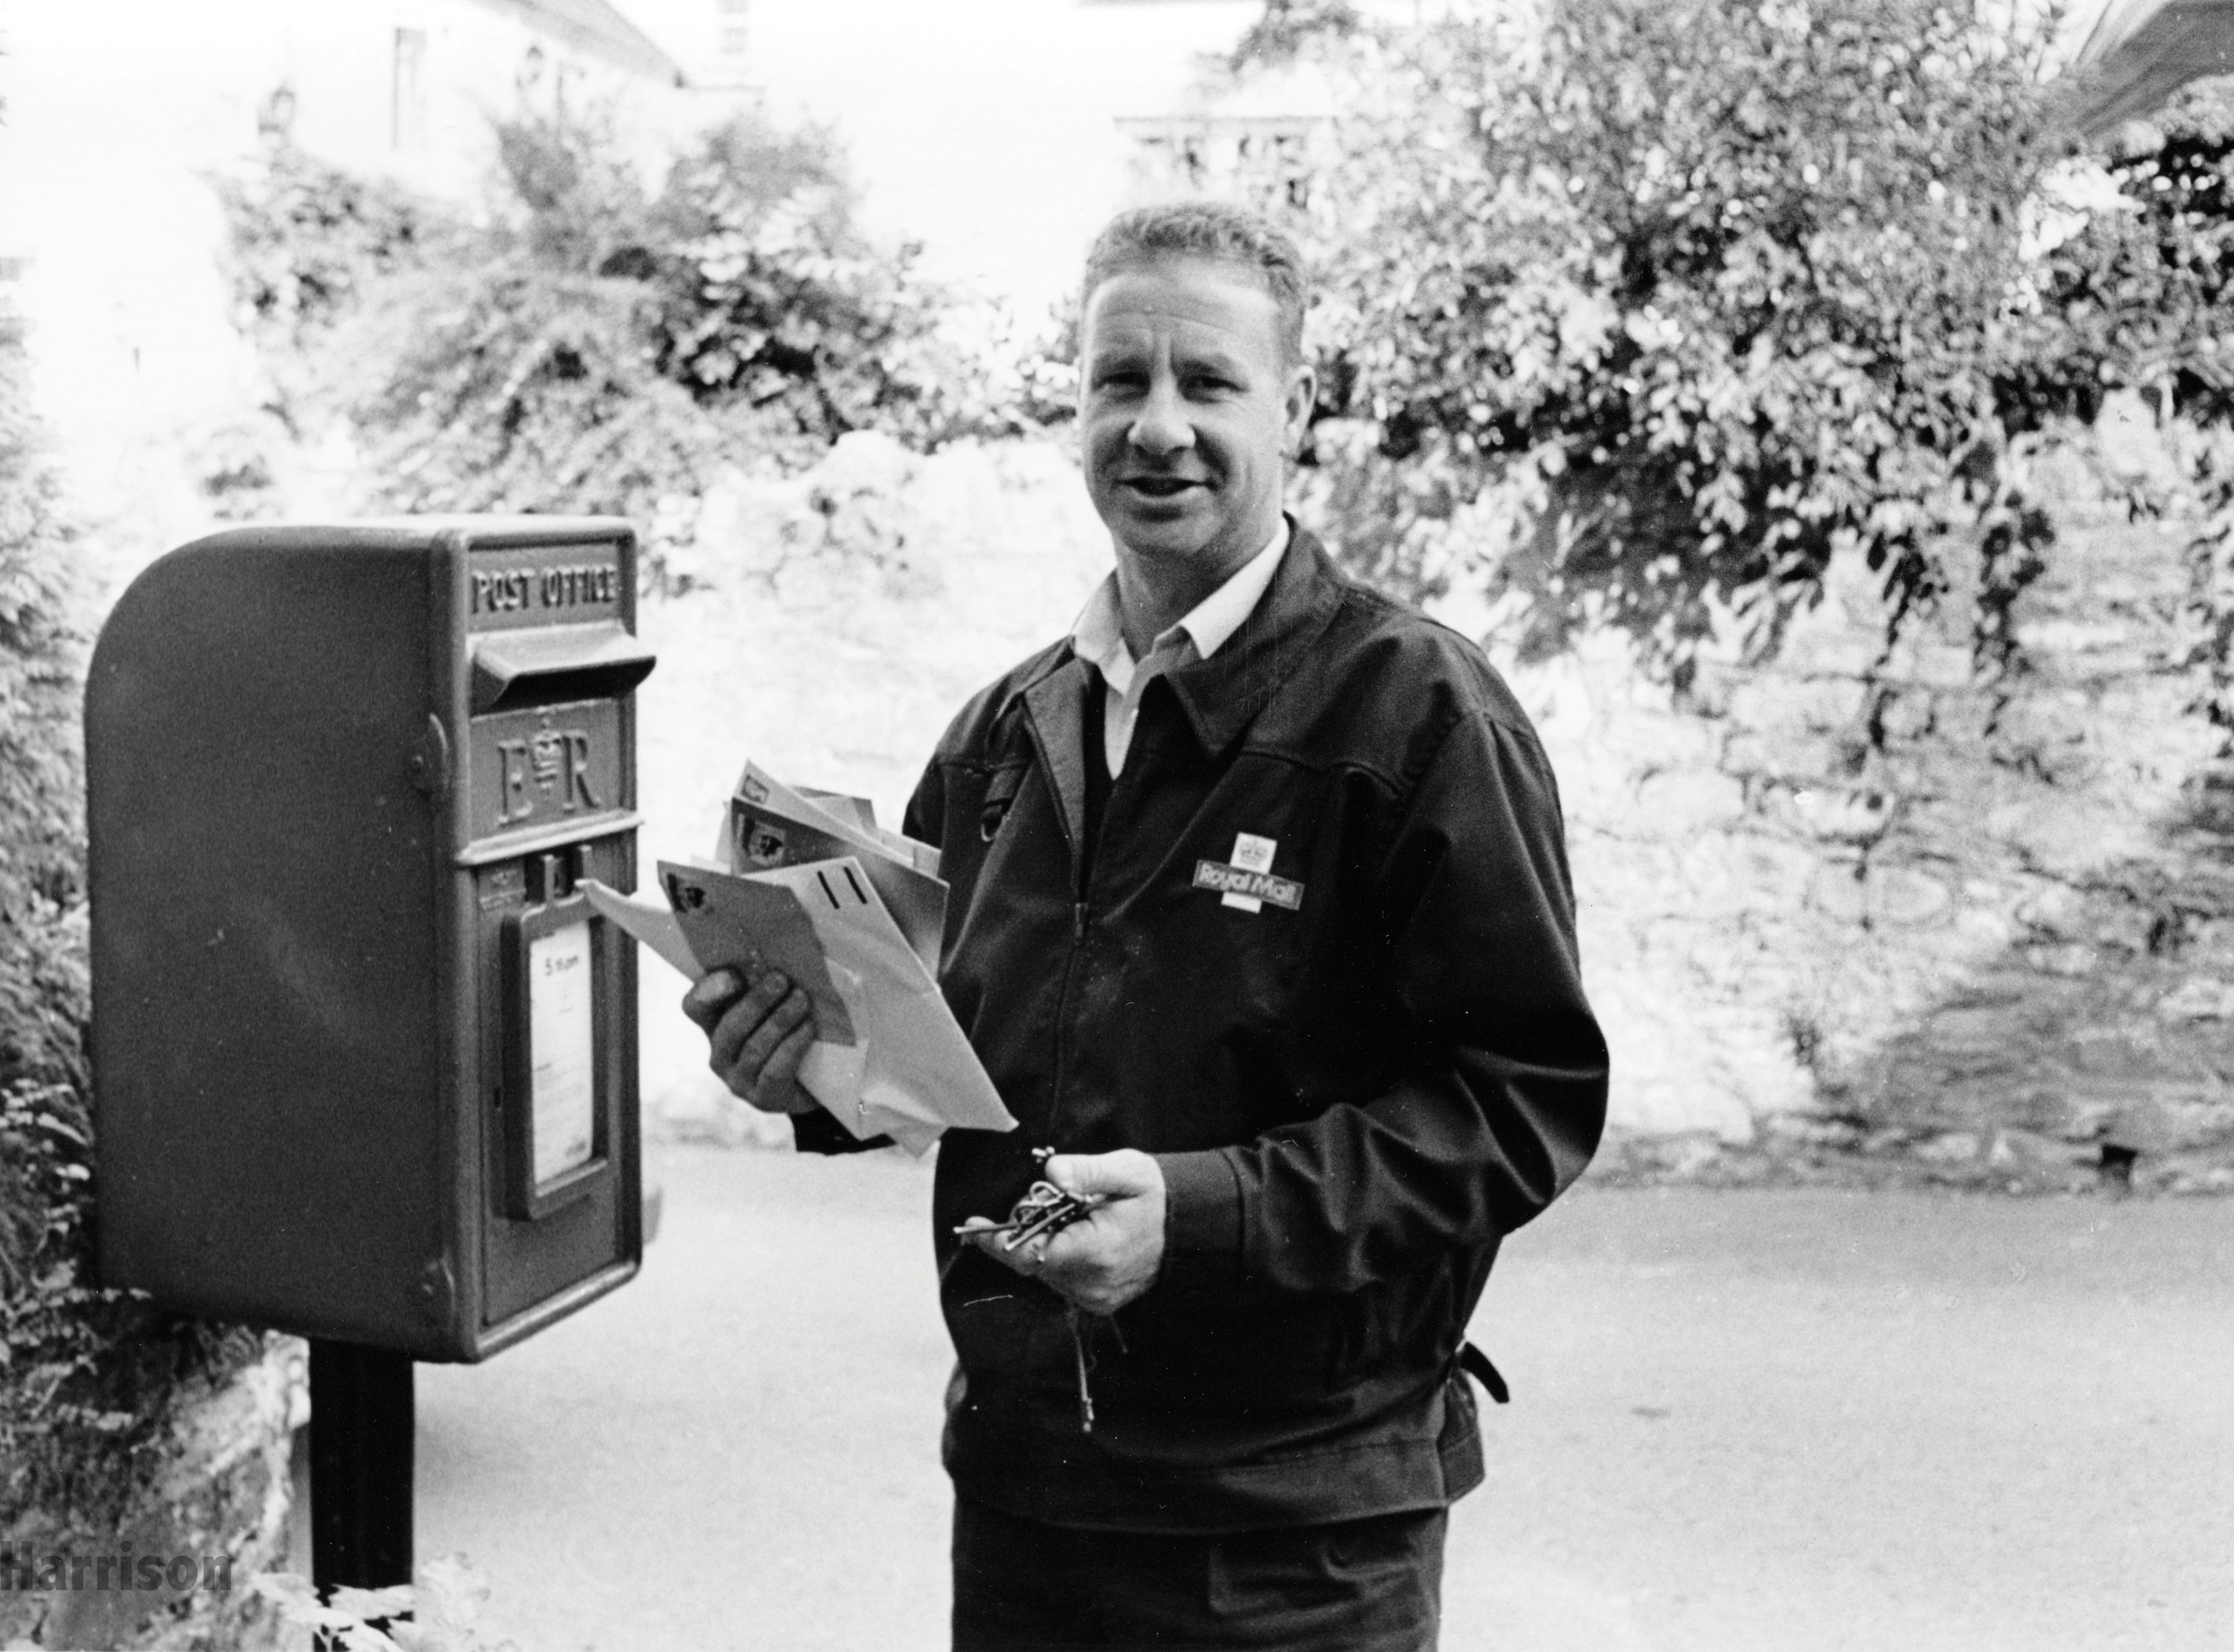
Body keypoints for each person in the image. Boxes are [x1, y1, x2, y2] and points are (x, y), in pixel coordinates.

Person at [683, 201, 1608, 1651]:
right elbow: (930, 1053)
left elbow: (1520, 1105)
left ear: (1295, 404)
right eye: (1119, 378)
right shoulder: (1005, 730)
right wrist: (796, 1064)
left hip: (1293, 1541)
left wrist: (1201, 1214)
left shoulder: (1419, 714)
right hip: (1027, 1502)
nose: (1156, 426)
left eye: (1207, 382)